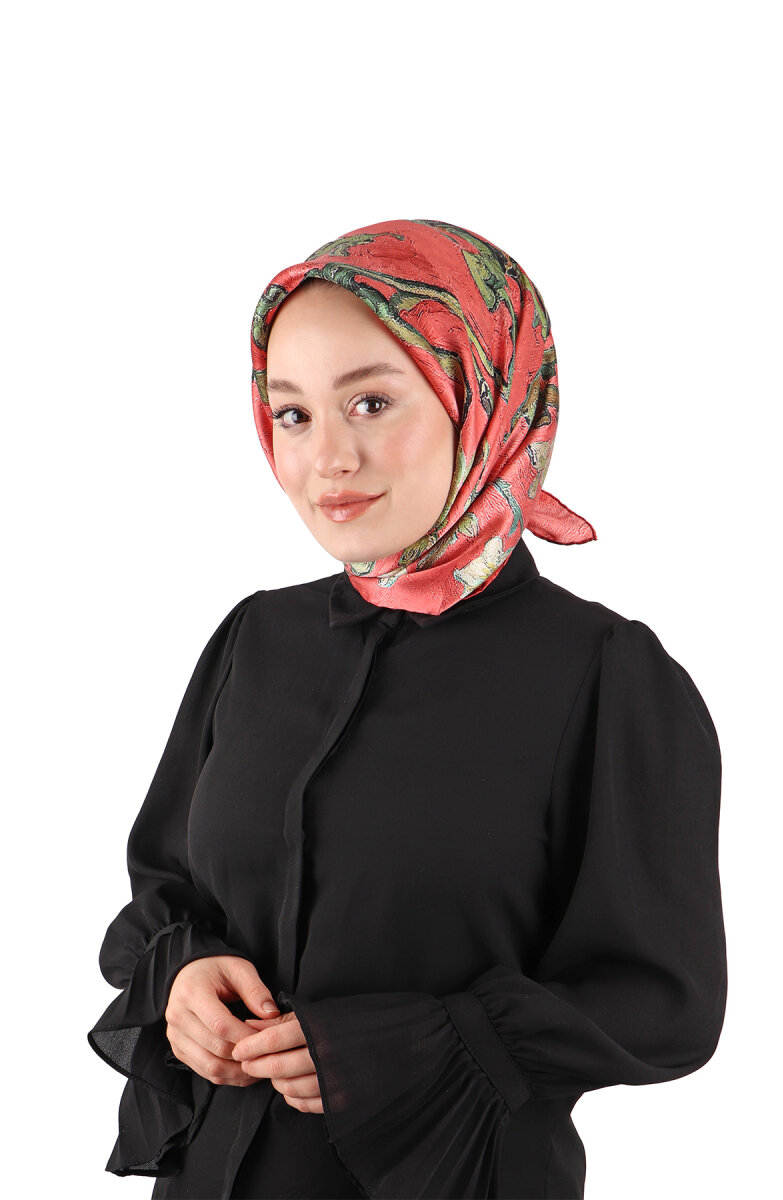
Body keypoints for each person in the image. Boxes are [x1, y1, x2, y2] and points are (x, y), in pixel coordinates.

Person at [88, 217, 727, 1200]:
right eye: (292, 414)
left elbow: (660, 1001)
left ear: (485, 397)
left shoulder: (604, 674)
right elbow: (168, 884)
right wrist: (183, 976)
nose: (327, 459)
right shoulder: (256, 639)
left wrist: (418, 1045)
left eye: (372, 402)